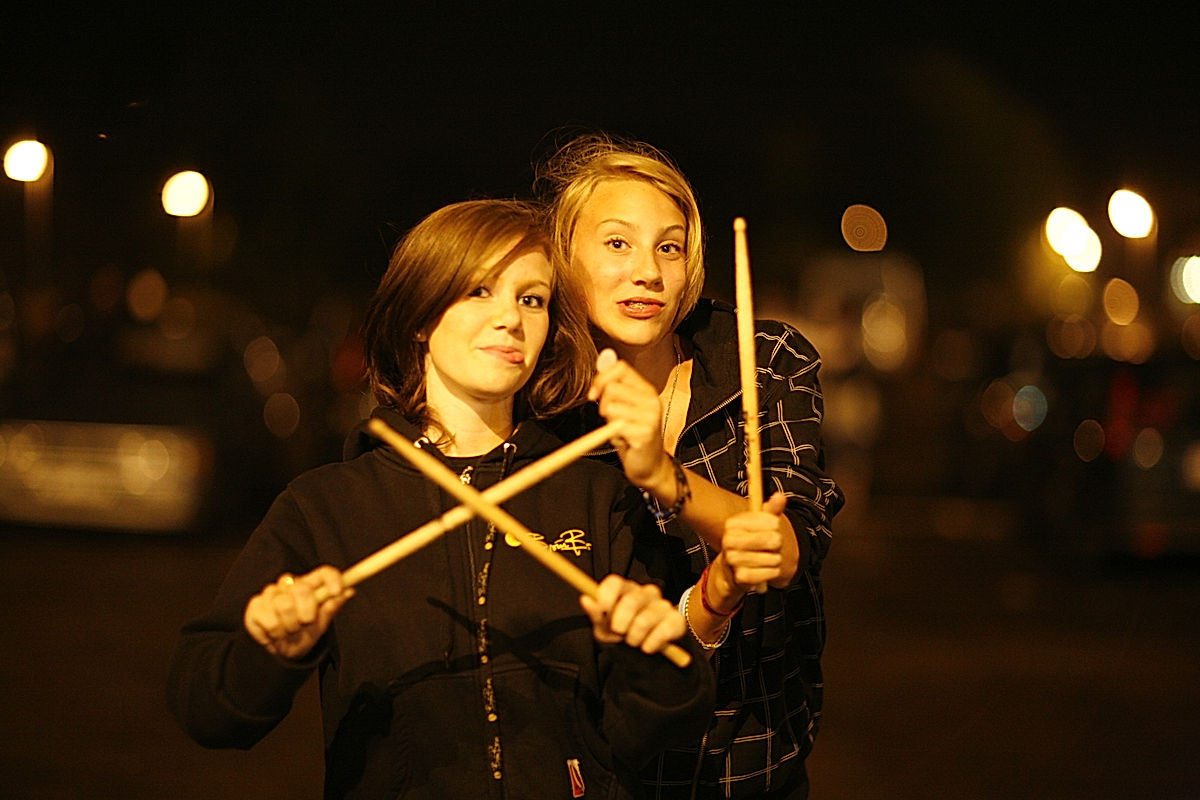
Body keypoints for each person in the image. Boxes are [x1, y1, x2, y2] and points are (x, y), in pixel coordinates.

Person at [166, 199, 717, 799]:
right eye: (479, 291)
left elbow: (657, 730)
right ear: (421, 316)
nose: (510, 318)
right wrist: (266, 650)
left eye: (530, 298)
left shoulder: (595, 496)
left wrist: (655, 656)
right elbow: (205, 709)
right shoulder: (325, 508)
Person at [538, 134, 845, 799]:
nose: (646, 271)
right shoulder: (543, 406)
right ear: (566, 256)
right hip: (604, 771)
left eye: (667, 246)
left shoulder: (764, 361)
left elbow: (788, 548)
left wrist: (665, 479)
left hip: (753, 762)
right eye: (617, 243)